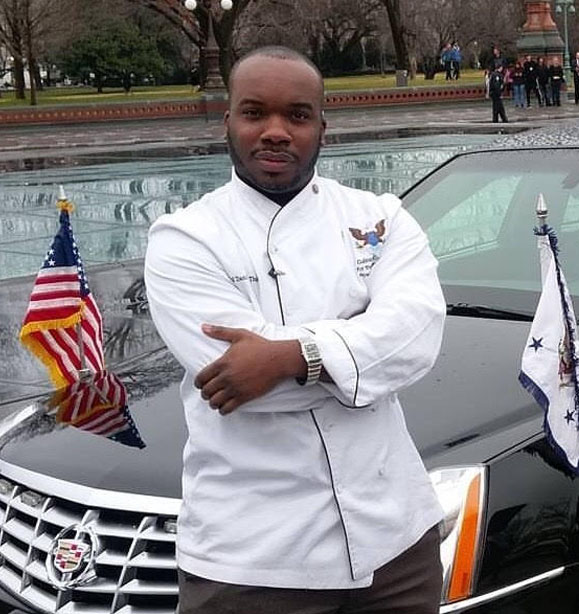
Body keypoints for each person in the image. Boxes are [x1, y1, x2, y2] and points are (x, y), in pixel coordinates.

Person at [144, 46, 446, 614]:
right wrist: (359, 340)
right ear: (227, 121)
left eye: (297, 115)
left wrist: (291, 357)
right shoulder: (184, 239)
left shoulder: (379, 218)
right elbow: (235, 384)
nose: (276, 132)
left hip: (397, 544)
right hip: (253, 559)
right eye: (255, 112)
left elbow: (419, 335)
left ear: (322, 128)